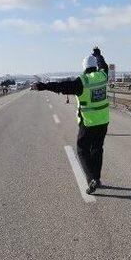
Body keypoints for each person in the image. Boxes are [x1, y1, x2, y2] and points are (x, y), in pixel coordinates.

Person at [31, 47, 109, 194]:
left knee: (82, 150)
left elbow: (61, 86)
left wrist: (42, 86)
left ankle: (91, 178)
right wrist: (98, 54)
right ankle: (97, 179)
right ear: (95, 65)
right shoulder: (103, 75)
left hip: (88, 122)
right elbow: (103, 65)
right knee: (97, 149)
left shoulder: (82, 81)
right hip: (103, 121)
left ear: (84, 67)